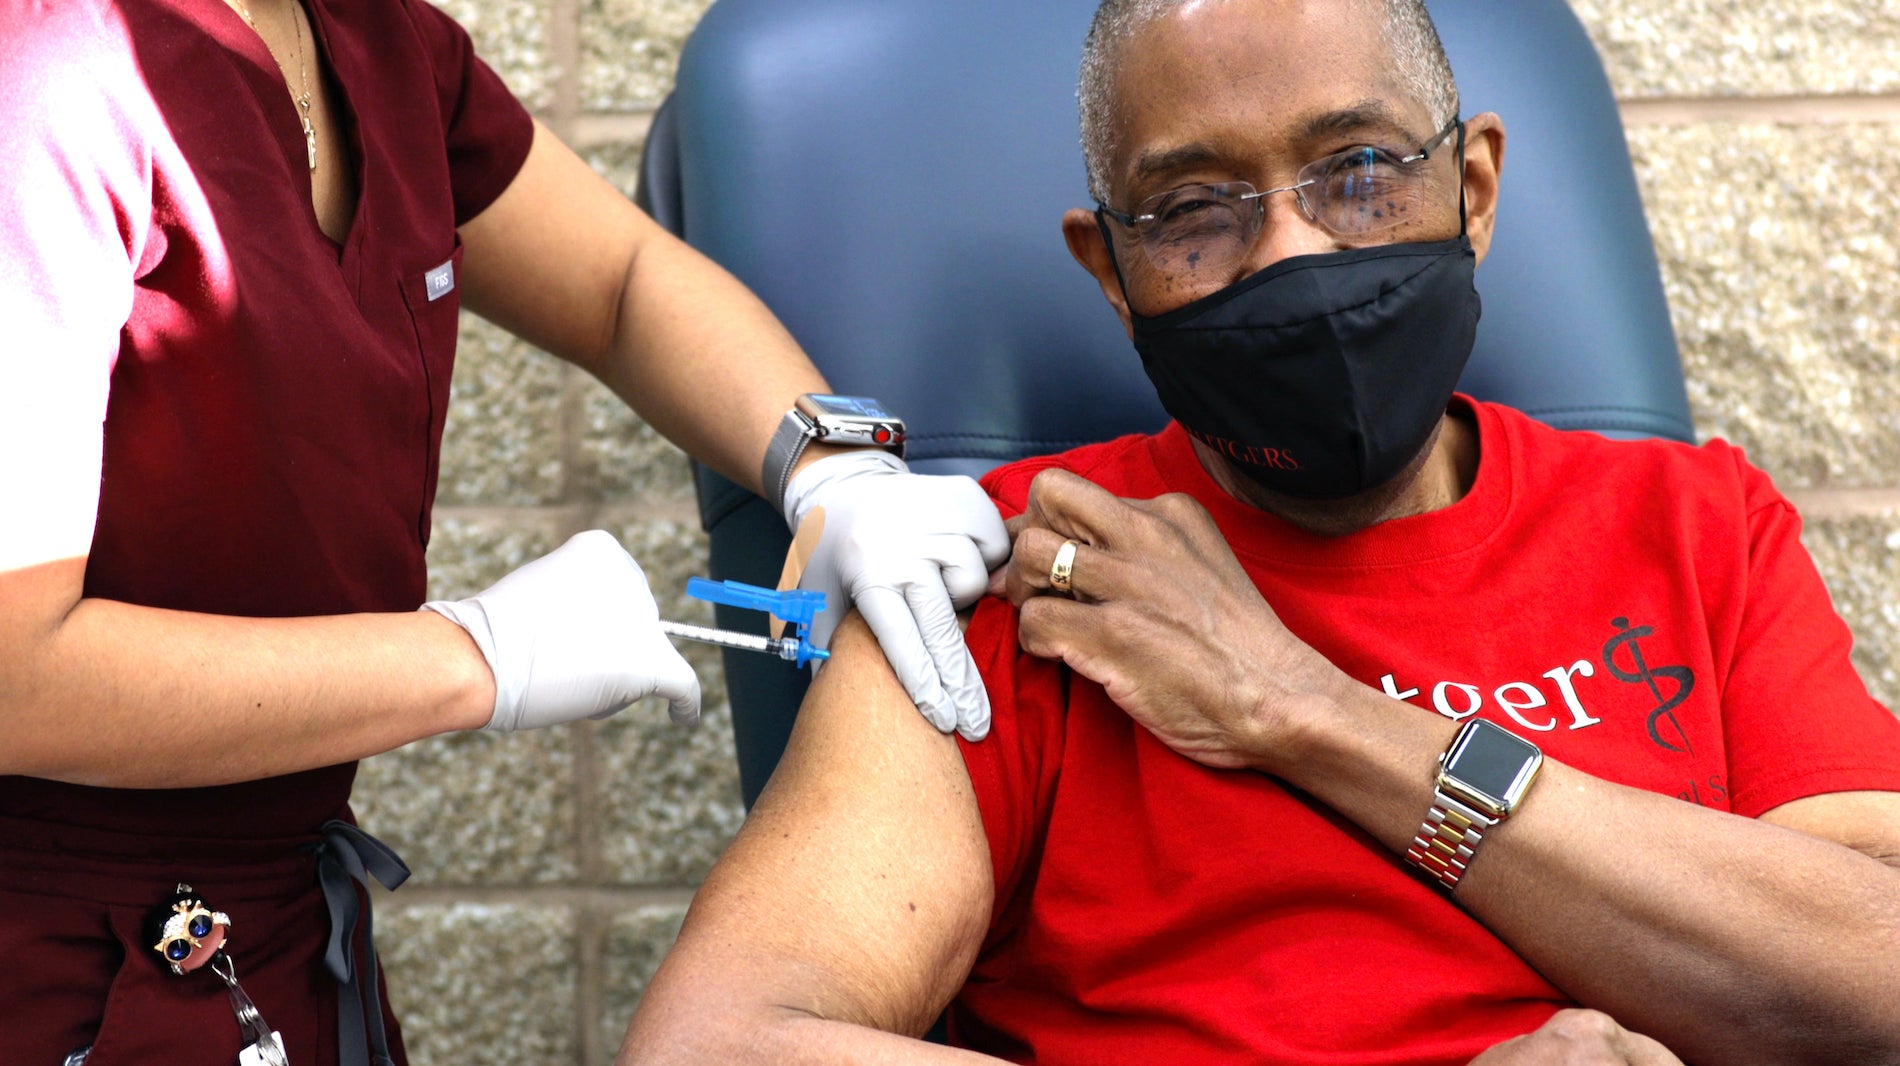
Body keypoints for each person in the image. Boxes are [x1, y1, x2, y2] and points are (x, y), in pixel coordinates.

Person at [619, 0, 1900, 1063]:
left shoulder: (1692, 521)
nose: (1291, 251)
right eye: (1192, 209)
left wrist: (1305, 708)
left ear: (1473, 187)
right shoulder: (1019, 568)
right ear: (1112, 278)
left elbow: (1874, 978)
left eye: (1357, 172)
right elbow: (722, 1041)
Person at [0, 0, 1006, 1063]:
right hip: (56, 963)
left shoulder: (379, 46)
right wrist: (474, 657)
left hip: (278, 940)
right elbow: (15, 677)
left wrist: (830, 465)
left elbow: (621, 284)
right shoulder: (50, 76)